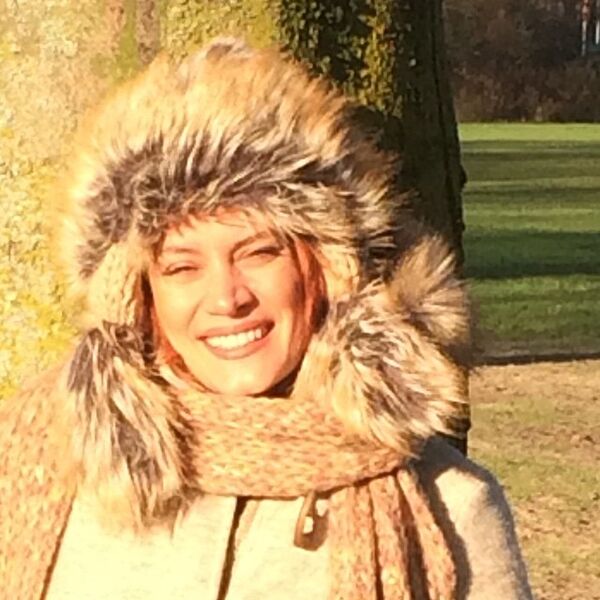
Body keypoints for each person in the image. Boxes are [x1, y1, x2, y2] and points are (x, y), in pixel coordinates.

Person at [0, 39, 532, 599]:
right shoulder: (38, 463)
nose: (227, 298)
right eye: (182, 267)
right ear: (138, 293)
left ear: (329, 266)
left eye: (259, 252)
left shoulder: (448, 508)